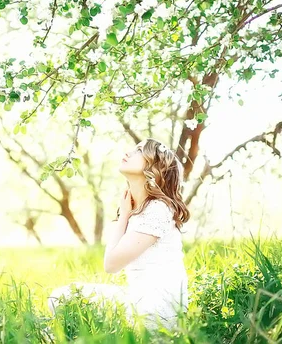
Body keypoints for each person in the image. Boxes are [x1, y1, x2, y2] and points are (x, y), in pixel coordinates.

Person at [47, 138, 190, 331]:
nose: (129, 153)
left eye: (139, 151)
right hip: (139, 297)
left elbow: (111, 264)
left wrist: (123, 215)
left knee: (61, 298)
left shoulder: (157, 210)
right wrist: (127, 214)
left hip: (155, 311)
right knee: (60, 297)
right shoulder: (144, 209)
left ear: (155, 167)